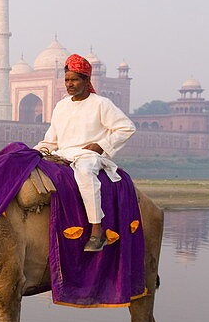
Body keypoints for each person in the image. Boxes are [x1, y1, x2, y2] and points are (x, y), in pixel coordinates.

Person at [36, 54, 136, 252]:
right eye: (66, 80)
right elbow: (51, 140)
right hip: (62, 154)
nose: (69, 84)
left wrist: (101, 145)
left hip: (88, 156)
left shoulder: (101, 103)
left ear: (87, 80)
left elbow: (127, 127)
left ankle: (97, 230)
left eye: (74, 79)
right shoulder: (61, 106)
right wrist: (32, 153)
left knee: (84, 173)